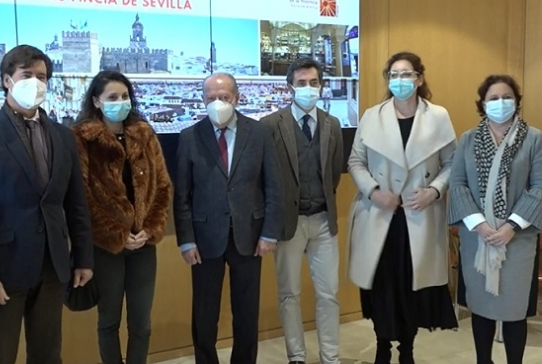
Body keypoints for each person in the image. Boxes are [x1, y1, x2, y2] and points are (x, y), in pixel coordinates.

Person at [0, 44, 94, 364]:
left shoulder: (63, 136)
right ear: (7, 80)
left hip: (53, 267)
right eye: (27, 75)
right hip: (2, 270)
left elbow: (76, 204)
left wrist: (83, 257)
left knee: (47, 356)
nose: (36, 82)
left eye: (42, 76)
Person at [347, 52, 459, 364]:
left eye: (406, 74)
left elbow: (452, 164)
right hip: (381, 214)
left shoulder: (437, 116)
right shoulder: (372, 116)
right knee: (382, 285)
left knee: (413, 286)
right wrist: (373, 191)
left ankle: (407, 349)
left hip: (418, 214)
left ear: (419, 79)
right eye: (393, 75)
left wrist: (434, 191)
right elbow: (355, 161)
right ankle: (382, 346)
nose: (399, 81)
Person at [173, 72, 283, 364]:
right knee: (205, 314)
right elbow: (181, 194)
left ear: (237, 97)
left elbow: (273, 185)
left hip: (250, 234)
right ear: (202, 99)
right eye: (211, 98)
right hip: (204, 238)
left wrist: (269, 232)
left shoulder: (259, 133)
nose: (217, 103)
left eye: (224, 97)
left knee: (247, 312)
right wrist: (185, 240)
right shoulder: (189, 136)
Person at [448, 75, 542, 364]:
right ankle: (484, 360)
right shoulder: (468, 139)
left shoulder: (534, 139)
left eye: (506, 96)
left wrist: (511, 226)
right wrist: (480, 225)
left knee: (514, 310)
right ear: (482, 103)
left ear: (517, 101)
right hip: (477, 238)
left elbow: (540, 187)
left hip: (517, 240)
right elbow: (457, 185)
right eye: (493, 98)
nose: (500, 103)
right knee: (481, 307)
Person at [72, 71, 172, 364]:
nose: (120, 102)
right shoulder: (82, 138)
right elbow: (81, 196)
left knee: (141, 324)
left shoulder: (144, 133)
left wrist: (151, 228)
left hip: (143, 245)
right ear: (96, 101)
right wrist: (116, 233)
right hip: (106, 248)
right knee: (109, 320)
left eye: (125, 96)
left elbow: (162, 187)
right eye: (112, 97)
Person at [260, 58, 343, 364]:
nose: (308, 88)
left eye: (313, 82)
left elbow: (334, 173)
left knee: (329, 294)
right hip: (287, 223)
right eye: (301, 83)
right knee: (289, 293)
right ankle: (296, 356)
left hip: (323, 221)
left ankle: (331, 357)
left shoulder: (332, 125)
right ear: (290, 86)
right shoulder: (270, 125)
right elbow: (264, 177)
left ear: (321, 85)